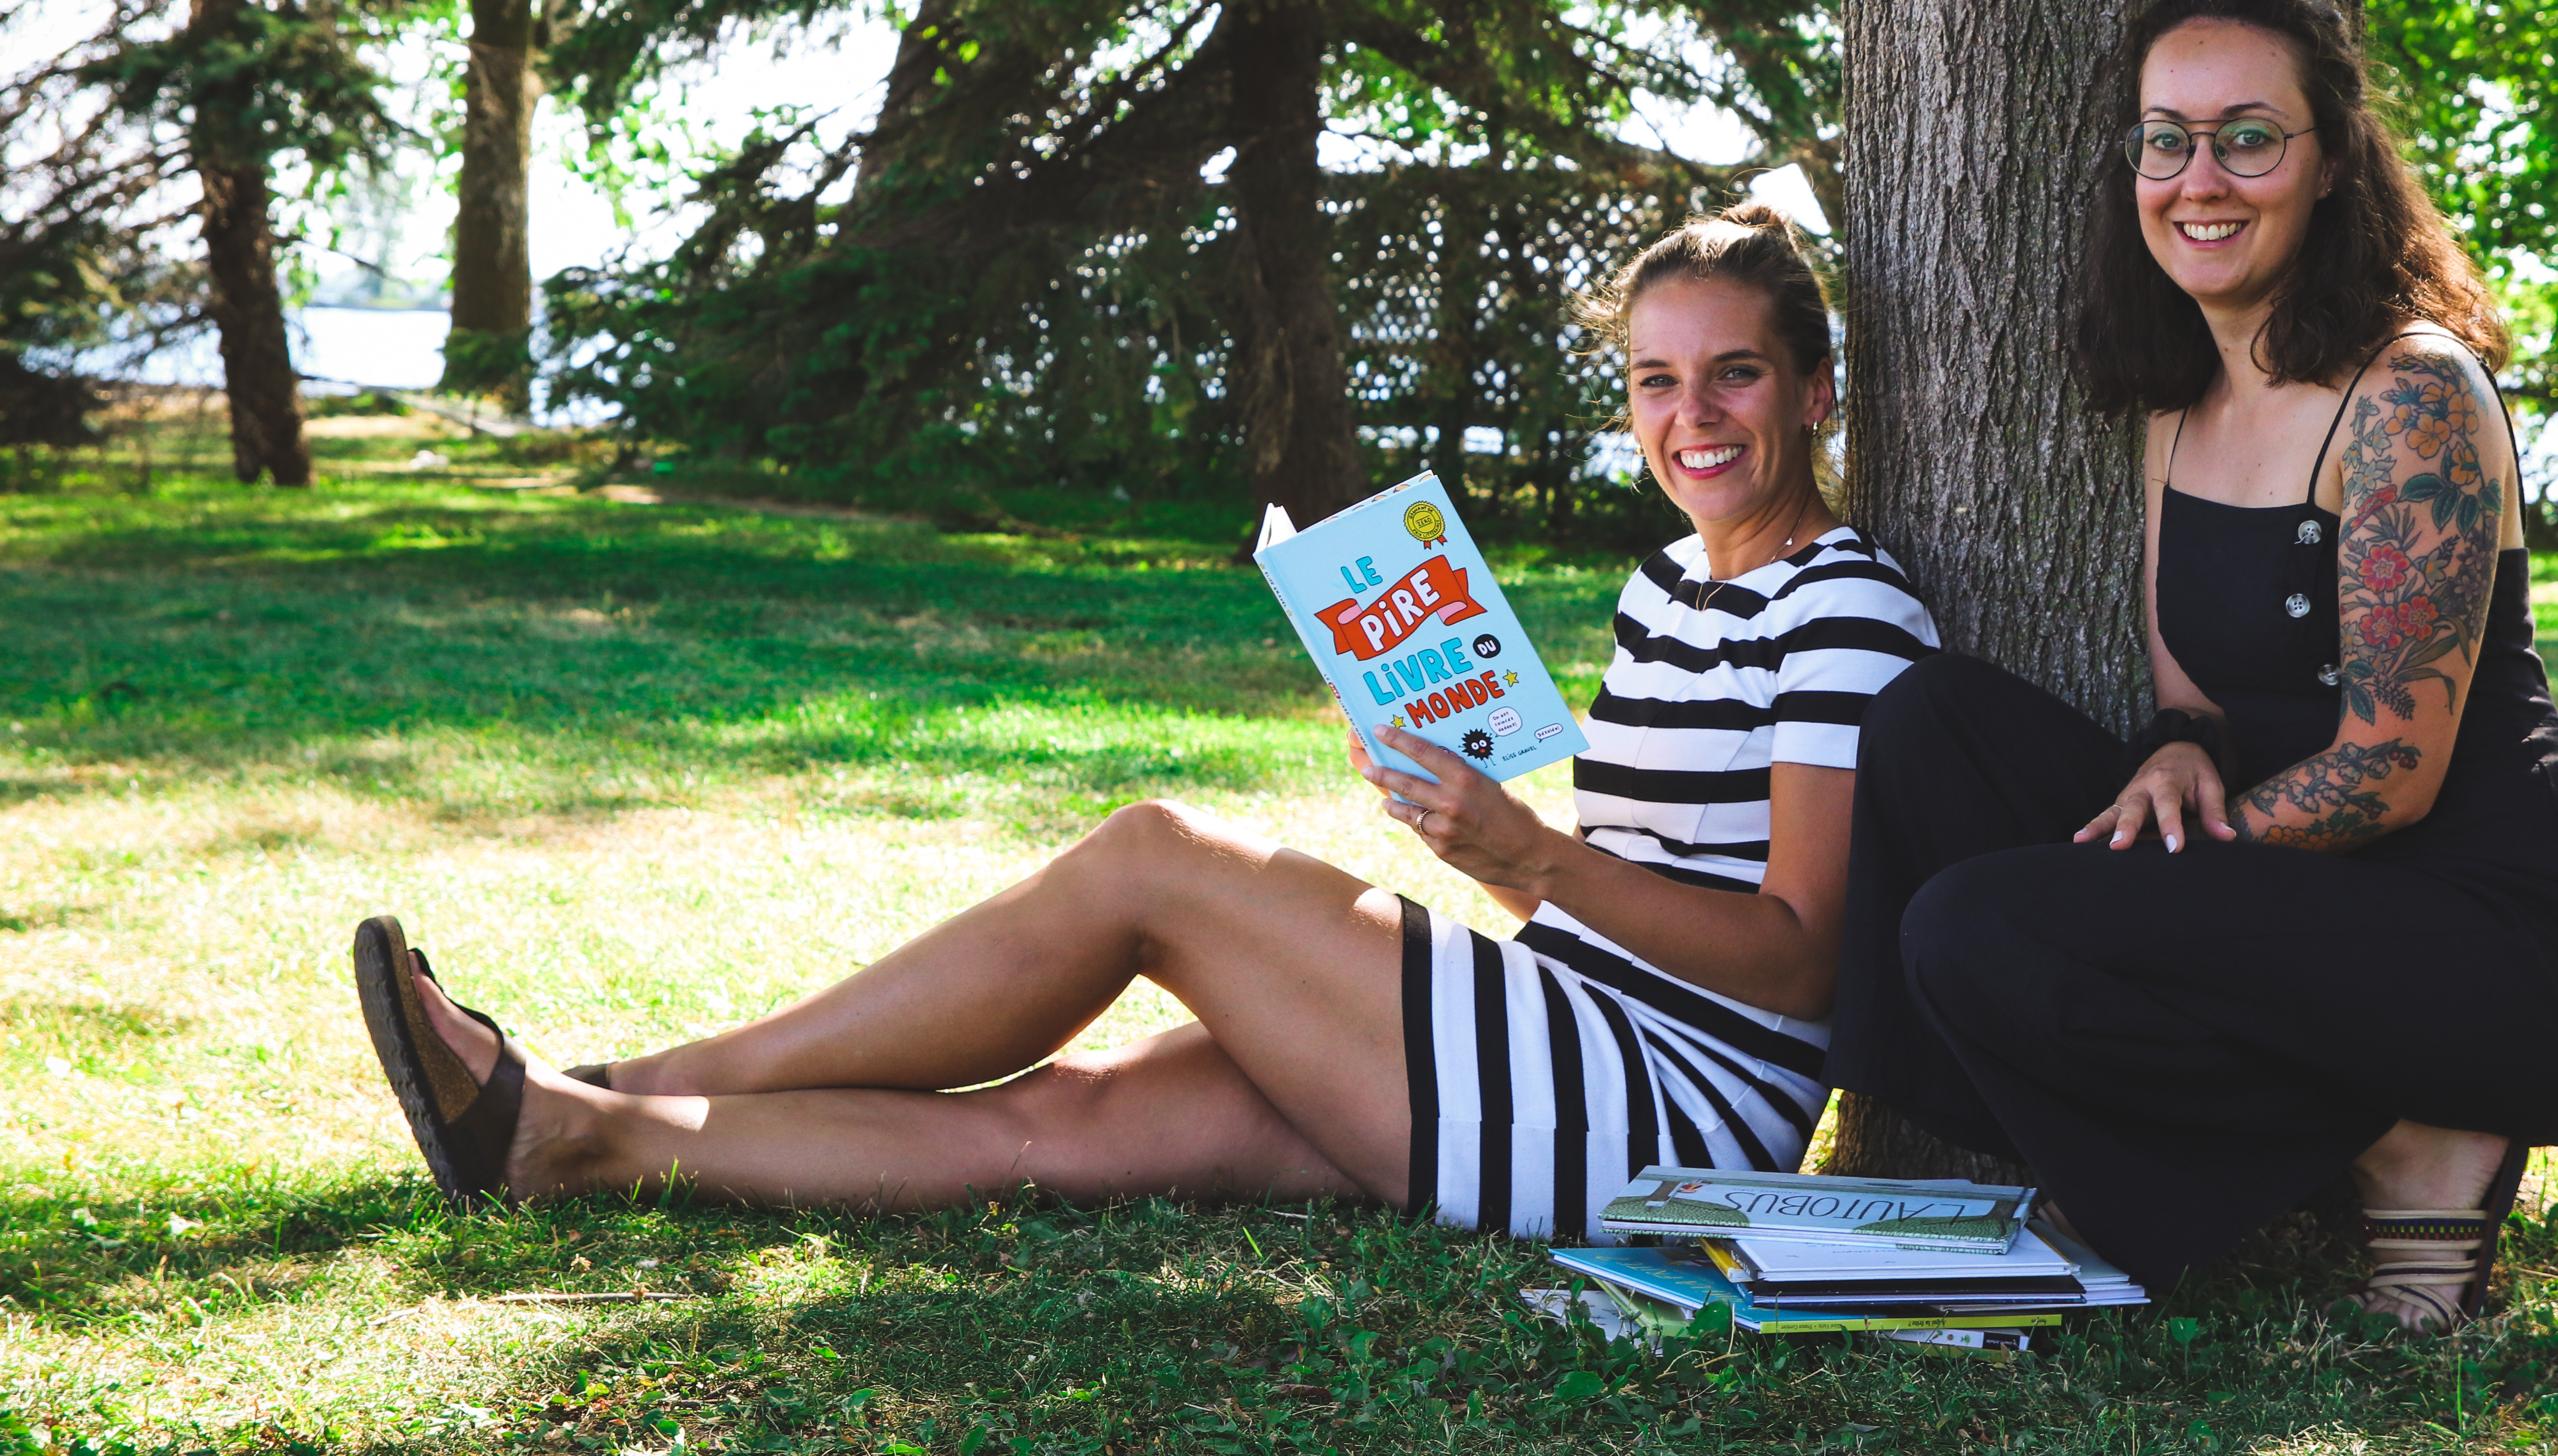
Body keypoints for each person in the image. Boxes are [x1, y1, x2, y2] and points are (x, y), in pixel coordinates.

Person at [354, 201, 1937, 1238]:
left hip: (1660, 1120)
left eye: (1736, 376)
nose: (1693, 418)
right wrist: (1481, 839)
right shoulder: (1673, 587)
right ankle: (569, 1136)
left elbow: (1797, 957)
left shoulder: (1843, 604)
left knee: (1157, 860)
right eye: (1659, 383)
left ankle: (628, 1079)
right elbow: (1631, 901)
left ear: (1814, 394)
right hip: (1577, 1032)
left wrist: (1538, 853)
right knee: (1066, 1122)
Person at [1822, 0, 2558, 1334]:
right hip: (2296, 920)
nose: (2199, 176)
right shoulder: (2185, 398)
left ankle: (2414, 1139)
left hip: (2488, 951)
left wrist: (2132, 887)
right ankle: (2273, 1148)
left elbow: (2389, 770)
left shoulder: (2413, 393)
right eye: (2166, 138)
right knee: (1931, 724)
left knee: (1980, 922)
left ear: (2332, 167)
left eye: (2249, 136)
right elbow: (2192, 690)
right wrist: (2169, 761)